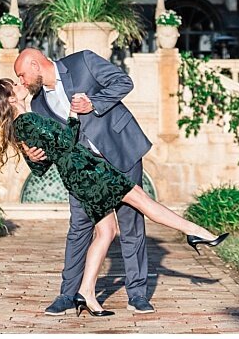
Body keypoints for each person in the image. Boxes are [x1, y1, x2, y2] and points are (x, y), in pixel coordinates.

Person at [0, 77, 228, 317]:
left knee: (107, 231)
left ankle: (86, 292)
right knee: (142, 201)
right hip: (89, 171)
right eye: (14, 85)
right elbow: (67, 142)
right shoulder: (28, 120)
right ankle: (196, 232)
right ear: (11, 98)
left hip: (78, 177)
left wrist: (35, 156)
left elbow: (40, 167)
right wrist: (72, 114)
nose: (20, 84)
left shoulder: (20, 127)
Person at [9, 47, 153, 316]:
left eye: (22, 74)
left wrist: (94, 103)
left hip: (120, 150)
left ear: (36, 64)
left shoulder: (83, 61)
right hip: (82, 170)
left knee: (131, 222)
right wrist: (34, 155)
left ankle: (137, 294)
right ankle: (68, 294)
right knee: (79, 228)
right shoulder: (38, 104)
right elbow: (52, 151)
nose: (21, 81)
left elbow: (124, 82)